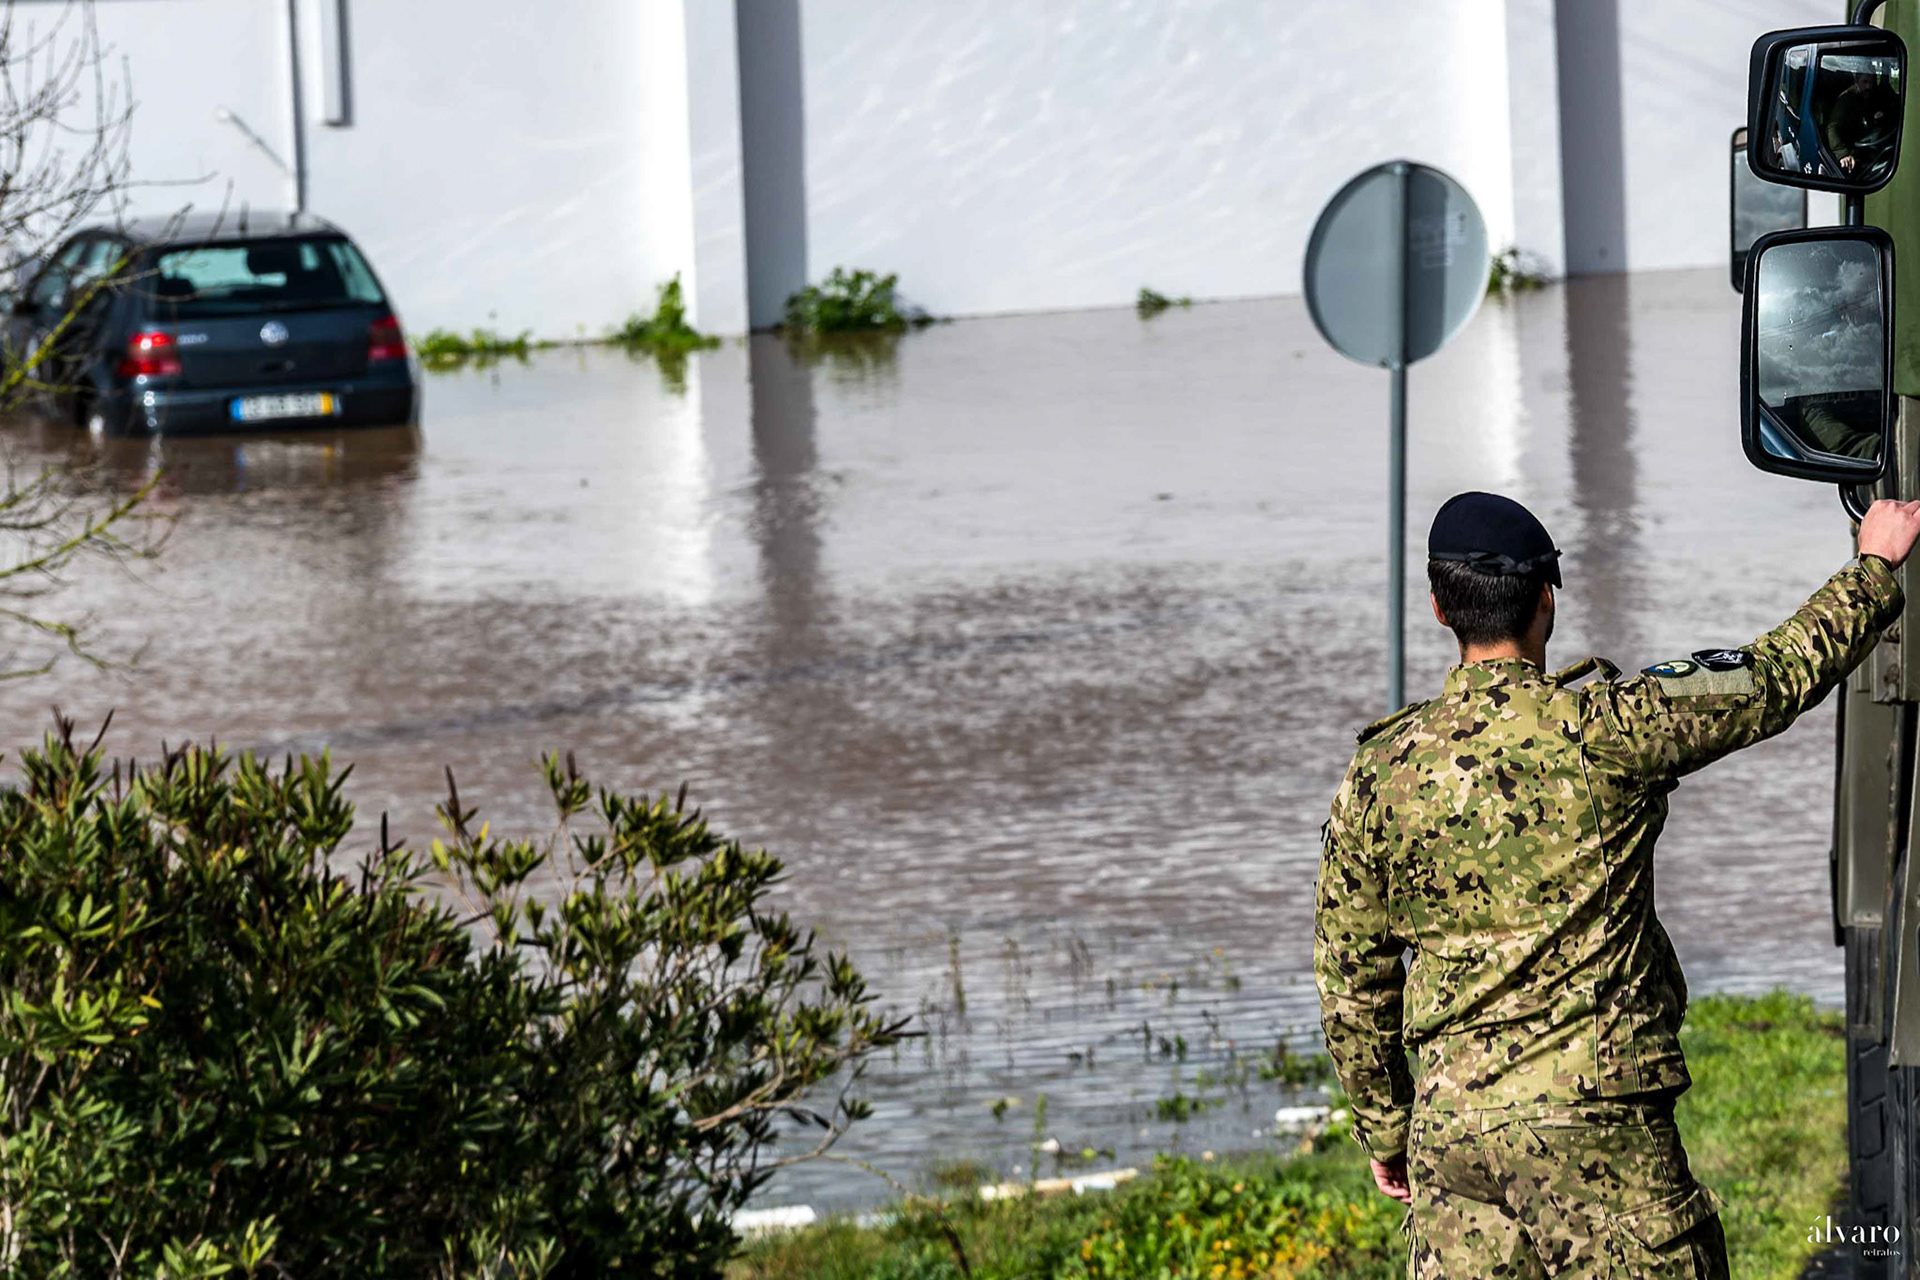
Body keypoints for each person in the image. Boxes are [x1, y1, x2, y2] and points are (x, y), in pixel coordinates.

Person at [1313, 491, 1920, 1279]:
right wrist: (1874, 566)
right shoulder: (1608, 729)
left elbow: (1350, 979)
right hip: (1601, 1128)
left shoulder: (1378, 775)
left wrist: (1387, 1131)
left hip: (1453, 1141)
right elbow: (1770, 680)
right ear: (1546, 602)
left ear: (1438, 607)